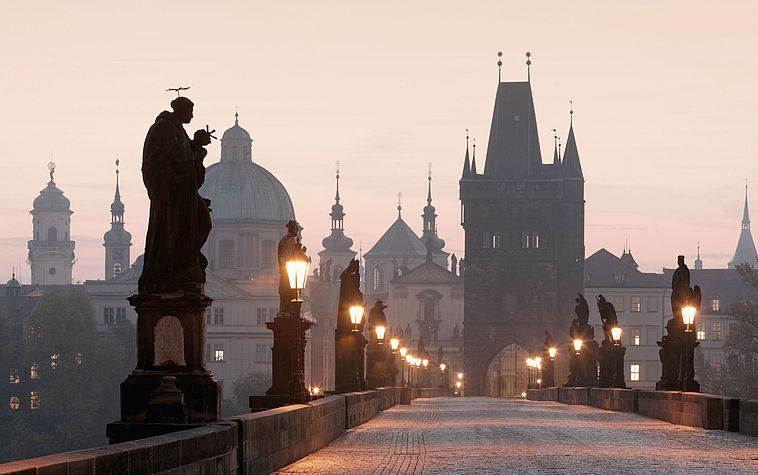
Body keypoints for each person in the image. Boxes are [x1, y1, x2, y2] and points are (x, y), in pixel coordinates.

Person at [138, 96, 212, 295]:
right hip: (171, 198)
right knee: (175, 232)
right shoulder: (163, 128)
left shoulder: (179, 131)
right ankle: (176, 268)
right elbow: (154, 163)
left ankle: (186, 263)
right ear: (180, 110)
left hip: (185, 195)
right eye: (190, 111)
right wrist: (173, 182)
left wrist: (197, 146)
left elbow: (190, 166)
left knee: (203, 223)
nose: (193, 115)